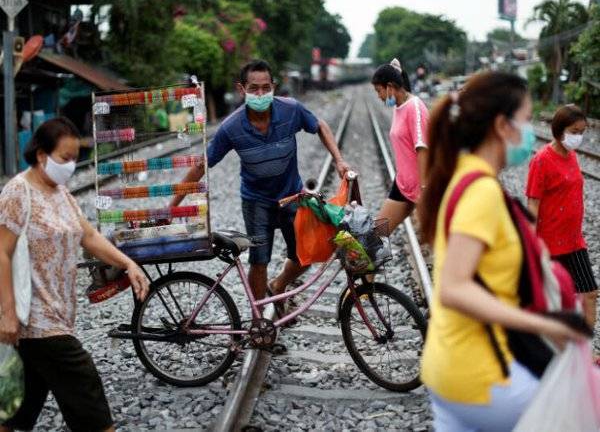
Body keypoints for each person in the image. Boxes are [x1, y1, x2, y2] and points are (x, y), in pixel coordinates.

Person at [418, 72, 586, 432]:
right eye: (525, 121)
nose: (530, 133)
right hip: (484, 377)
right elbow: (454, 287)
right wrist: (543, 323)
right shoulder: (481, 191)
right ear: (501, 125)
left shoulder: (462, 174)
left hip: (447, 369)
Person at [0, 118, 149, 432]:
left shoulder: (61, 194)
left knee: (20, 399)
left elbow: (89, 236)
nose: (70, 166)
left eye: (74, 159)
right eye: (64, 158)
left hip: (60, 311)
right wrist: (8, 313)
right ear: (42, 155)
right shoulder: (18, 192)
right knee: (84, 384)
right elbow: (1, 251)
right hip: (35, 319)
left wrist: (128, 264)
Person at [173, 60, 350, 302]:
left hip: (291, 197)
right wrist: (173, 205)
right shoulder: (231, 128)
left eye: (266, 88)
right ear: (241, 89)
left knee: (305, 255)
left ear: (274, 87)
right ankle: (259, 323)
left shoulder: (291, 110)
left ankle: (277, 286)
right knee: (259, 261)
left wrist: (339, 160)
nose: (260, 94)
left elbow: (319, 126)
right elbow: (201, 166)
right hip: (257, 203)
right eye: (254, 88)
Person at [526, 104, 597, 330]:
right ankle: (556, 353)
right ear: (560, 130)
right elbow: (533, 203)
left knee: (589, 293)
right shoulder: (541, 160)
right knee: (554, 303)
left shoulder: (573, 156)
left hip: (574, 240)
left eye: (582, 132)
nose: (578, 138)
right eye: (574, 132)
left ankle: (584, 350)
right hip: (550, 243)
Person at [371, 58, 428, 233]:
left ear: (390, 87)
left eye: (379, 91)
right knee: (376, 234)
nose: (379, 96)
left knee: (439, 242)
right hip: (403, 185)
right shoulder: (399, 105)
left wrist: (425, 190)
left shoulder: (415, 107)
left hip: (422, 187)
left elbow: (422, 148)